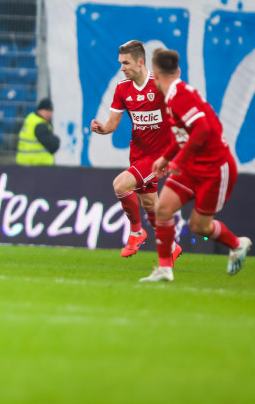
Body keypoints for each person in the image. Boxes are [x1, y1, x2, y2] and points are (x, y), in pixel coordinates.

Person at [140, 49, 251, 282]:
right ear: (178, 71)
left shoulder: (179, 95)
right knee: (163, 209)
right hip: (191, 166)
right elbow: (184, 134)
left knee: (199, 227)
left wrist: (178, 161)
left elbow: (203, 129)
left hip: (214, 169)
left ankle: (236, 244)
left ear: (155, 74)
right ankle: (164, 269)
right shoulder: (171, 96)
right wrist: (167, 157)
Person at [89, 40, 181, 259]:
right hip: (138, 154)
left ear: (140, 62)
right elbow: (112, 123)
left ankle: (136, 233)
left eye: (126, 63)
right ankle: (171, 245)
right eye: (120, 63)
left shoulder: (161, 84)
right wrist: (102, 128)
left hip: (158, 157)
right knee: (149, 203)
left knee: (120, 184)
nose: (122, 68)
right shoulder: (122, 88)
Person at [16, 98, 59, 165]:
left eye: (50, 111)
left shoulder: (30, 118)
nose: (49, 114)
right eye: (46, 110)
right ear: (39, 110)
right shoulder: (40, 125)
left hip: (24, 162)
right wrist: (57, 140)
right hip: (38, 164)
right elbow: (53, 145)